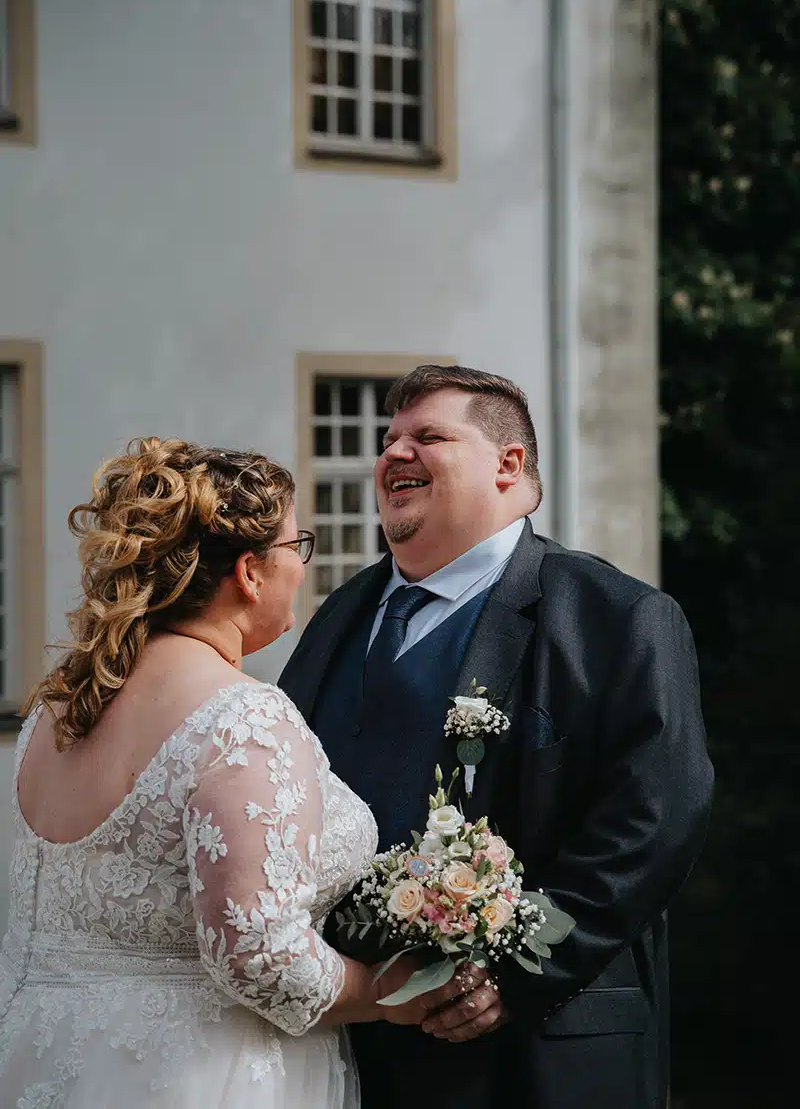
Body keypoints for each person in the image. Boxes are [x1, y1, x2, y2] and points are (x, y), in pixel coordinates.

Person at [280, 364, 715, 1109]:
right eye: (388, 440)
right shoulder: (339, 618)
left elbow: (651, 820)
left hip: (535, 1051)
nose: (393, 454)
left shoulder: (613, 618)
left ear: (508, 465)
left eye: (428, 436)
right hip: (350, 1048)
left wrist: (514, 973)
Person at [0, 437, 448, 1108]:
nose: (303, 568)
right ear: (249, 572)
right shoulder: (241, 717)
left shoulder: (57, 704)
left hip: (43, 1054)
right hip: (201, 1075)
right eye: (297, 546)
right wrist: (387, 992)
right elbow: (259, 955)